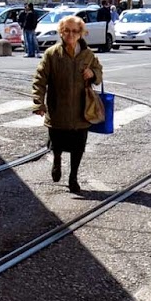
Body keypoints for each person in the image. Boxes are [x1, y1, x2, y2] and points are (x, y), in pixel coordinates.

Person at [30, 15, 104, 194]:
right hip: (58, 110)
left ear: (81, 33)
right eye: (67, 31)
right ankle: (56, 160)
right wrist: (38, 103)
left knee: (78, 147)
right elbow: (40, 79)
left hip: (81, 110)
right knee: (57, 143)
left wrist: (92, 74)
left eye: (75, 31)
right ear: (61, 33)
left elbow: (99, 74)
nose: (71, 34)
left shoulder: (88, 54)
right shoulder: (52, 54)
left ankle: (73, 177)